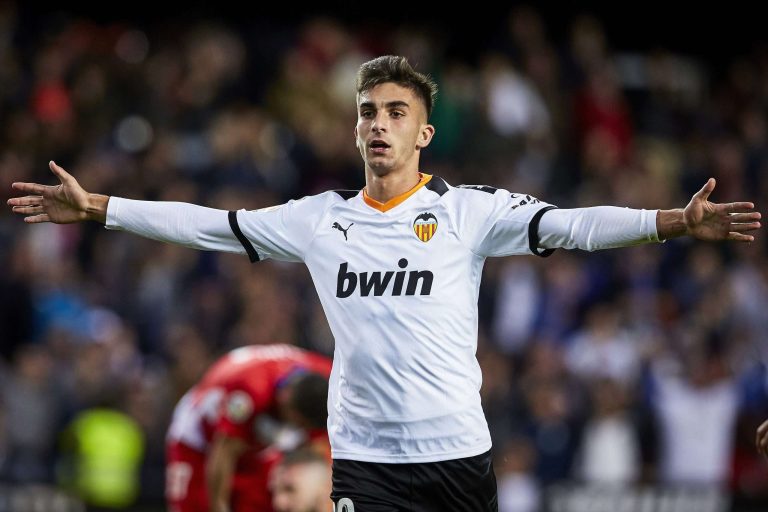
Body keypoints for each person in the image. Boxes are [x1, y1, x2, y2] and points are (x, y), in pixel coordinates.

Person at [7, 55, 761, 511]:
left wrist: (671, 221)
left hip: (459, 454)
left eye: (396, 113)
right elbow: (210, 225)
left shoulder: (469, 212)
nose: (378, 123)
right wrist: (100, 207)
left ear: (424, 132)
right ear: (355, 128)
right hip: (364, 461)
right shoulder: (318, 219)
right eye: (368, 112)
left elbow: (571, 225)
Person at [164, 344, 331, 512]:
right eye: (300, 424)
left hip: (258, 439)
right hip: (201, 441)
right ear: (287, 405)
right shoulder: (251, 390)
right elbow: (223, 452)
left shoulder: (328, 374)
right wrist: (219, 507)